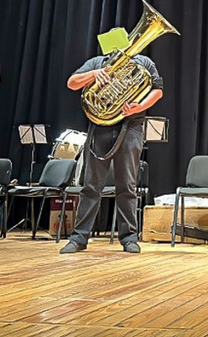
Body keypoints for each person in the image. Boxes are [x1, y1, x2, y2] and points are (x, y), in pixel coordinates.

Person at [61, 49, 163, 254]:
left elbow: (158, 90)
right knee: (91, 186)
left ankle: (129, 237)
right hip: (100, 126)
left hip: (131, 125)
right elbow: (72, 83)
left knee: (127, 185)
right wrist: (94, 74)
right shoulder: (97, 62)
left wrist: (139, 106)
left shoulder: (143, 62)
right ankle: (79, 237)